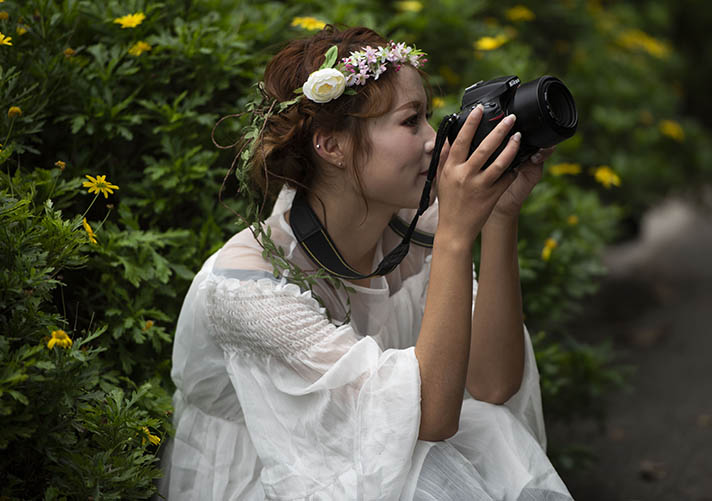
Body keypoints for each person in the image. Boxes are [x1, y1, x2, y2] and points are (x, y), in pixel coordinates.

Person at [159, 25, 573, 500]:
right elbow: (430, 419)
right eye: (410, 120)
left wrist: (500, 217)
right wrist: (458, 234)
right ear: (331, 145)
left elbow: (493, 385)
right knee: (424, 465)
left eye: (428, 118)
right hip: (274, 473)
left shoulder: (413, 227)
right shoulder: (247, 291)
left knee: (488, 428)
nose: (432, 140)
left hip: (371, 455)